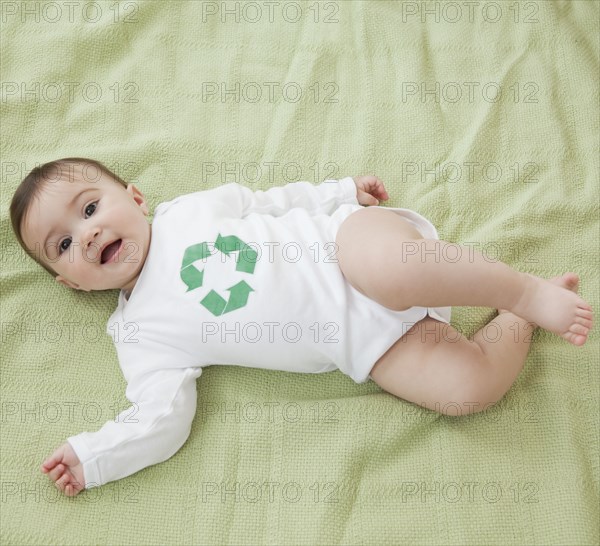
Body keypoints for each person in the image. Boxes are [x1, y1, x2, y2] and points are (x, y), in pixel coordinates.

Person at [10, 158, 593, 497]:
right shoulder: (140, 336)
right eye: (62, 245)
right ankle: (515, 320)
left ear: (135, 197)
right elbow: (160, 416)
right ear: (73, 284)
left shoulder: (186, 212)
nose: (85, 234)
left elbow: (266, 202)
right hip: (369, 343)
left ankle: (521, 290)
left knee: (396, 270)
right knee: (465, 390)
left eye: (90, 209)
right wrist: (97, 456)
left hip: (344, 248)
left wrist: (340, 192)